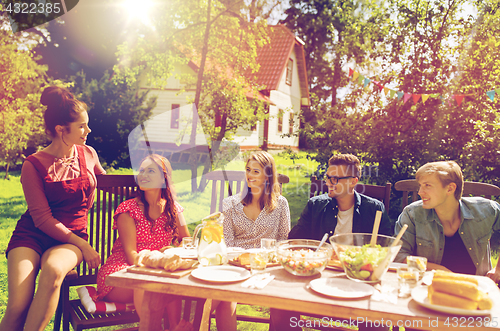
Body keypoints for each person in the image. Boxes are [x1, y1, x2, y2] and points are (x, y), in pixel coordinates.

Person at [0, 86, 105, 331]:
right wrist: (85, 246)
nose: (87, 131)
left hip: (70, 239)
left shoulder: (88, 154)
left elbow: (110, 185)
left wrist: (153, 182)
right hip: (32, 235)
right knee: (17, 305)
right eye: (81, 126)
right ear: (60, 129)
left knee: (53, 269)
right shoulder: (33, 165)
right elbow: (42, 219)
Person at [270, 153, 392, 331]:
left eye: (335, 178)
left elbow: (385, 252)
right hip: (318, 277)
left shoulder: (374, 209)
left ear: (353, 181)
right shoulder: (316, 205)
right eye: (327, 177)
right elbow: (294, 241)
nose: (328, 182)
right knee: (280, 303)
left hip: (359, 281)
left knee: (378, 319)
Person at [93, 154, 191, 330]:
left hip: (157, 272)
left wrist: (173, 252)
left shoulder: (173, 209)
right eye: (141, 170)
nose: (143, 174)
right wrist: (159, 259)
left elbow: (187, 243)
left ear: (164, 178)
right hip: (121, 273)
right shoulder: (128, 209)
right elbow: (132, 256)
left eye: (150, 171)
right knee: (147, 283)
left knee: (167, 282)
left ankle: (175, 326)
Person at [215, 151, 291, 331]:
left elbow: (283, 241)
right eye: (248, 170)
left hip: (269, 268)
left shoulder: (281, 204)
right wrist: (241, 261)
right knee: (220, 295)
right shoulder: (230, 204)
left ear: (268, 176)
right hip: (235, 266)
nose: (249, 175)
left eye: (256, 171)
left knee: (285, 299)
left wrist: (269, 260)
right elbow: (226, 242)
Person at [395, 161, 500, 282]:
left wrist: (498, 269)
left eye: (427, 185)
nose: (420, 192)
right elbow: (398, 255)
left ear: (450, 189)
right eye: (420, 185)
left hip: (478, 288)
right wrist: (442, 271)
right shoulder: (412, 214)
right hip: (428, 288)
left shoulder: (486, 210)